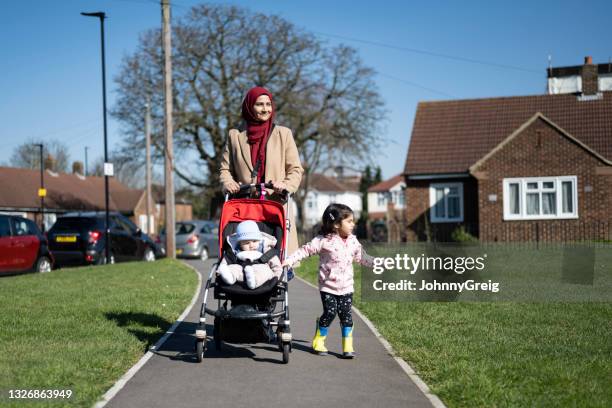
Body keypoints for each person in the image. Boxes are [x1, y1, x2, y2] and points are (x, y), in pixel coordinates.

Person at [219, 86, 303, 253]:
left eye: (268, 104)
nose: (265, 109)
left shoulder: (283, 134)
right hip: (245, 208)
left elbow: (295, 169)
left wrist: (286, 185)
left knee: (277, 260)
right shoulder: (235, 135)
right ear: (250, 106)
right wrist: (228, 182)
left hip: (275, 205)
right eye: (259, 104)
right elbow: (225, 169)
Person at [282, 204, 374, 358]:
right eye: (349, 221)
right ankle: (319, 341)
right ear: (337, 224)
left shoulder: (353, 241)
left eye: (353, 221)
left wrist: (380, 263)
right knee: (330, 313)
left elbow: (361, 258)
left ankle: (348, 346)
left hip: (347, 286)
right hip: (328, 286)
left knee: (346, 315)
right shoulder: (323, 240)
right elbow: (305, 250)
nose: (353, 224)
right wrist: (290, 260)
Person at [217, 220, 282, 289]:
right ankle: (229, 277)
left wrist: (277, 277)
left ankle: (253, 280)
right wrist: (220, 270)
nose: (251, 245)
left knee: (266, 271)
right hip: (242, 272)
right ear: (240, 244)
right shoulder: (236, 250)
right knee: (234, 268)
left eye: (254, 241)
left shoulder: (265, 250)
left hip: (260, 271)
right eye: (247, 243)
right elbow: (226, 260)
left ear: (259, 240)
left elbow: (276, 265)